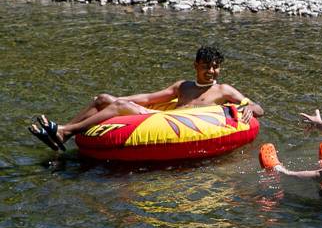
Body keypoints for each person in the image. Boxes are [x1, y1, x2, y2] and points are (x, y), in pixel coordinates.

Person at [27, 46, 263, 151]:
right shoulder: (183, 86)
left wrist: (249, 107)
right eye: (206, 67)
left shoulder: (224, 90)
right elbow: (149, 98)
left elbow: (257, 108)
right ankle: (64, 132)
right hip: (160, 118)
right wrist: (115, 99)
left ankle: (66, 132)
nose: (211, 71)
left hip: (181, 127)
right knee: (103, 98)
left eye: (215, 67)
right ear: (196, 66)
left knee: (118, 105)